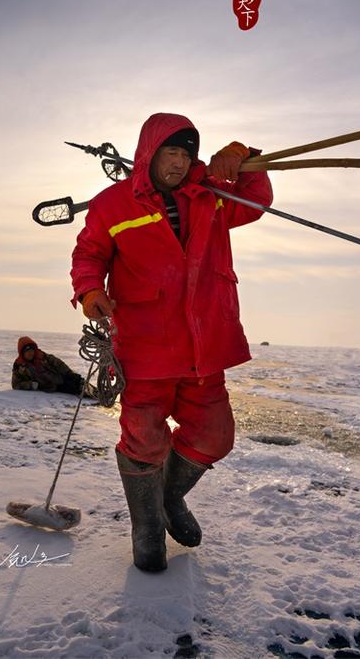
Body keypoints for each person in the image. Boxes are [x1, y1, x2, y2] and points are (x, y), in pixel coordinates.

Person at [70, 112, 273, 572]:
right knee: (143, 440)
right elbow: (89, 253)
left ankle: (168, 497)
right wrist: (89, 289)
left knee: (215, 436)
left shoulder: (214, 195)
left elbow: (257, 201)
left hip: (207, 345)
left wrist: (243, 156)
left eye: (188, 154)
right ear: (150, 152)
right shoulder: (113, 204)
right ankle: (146, 527)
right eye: (172, 152)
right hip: (144, 347)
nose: (180, 164)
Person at [12, 336, 92, 396]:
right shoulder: (19, 366)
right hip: (52, 387)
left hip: (61, 378)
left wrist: (69, 373)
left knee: (79, 381)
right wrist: (32, 385)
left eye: (31, 350)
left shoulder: (43, 356)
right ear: (22, 353)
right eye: (27, 351)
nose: (30, 353)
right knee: (76, 389)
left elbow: (58, 363)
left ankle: (100, 393)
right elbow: (16, 384)